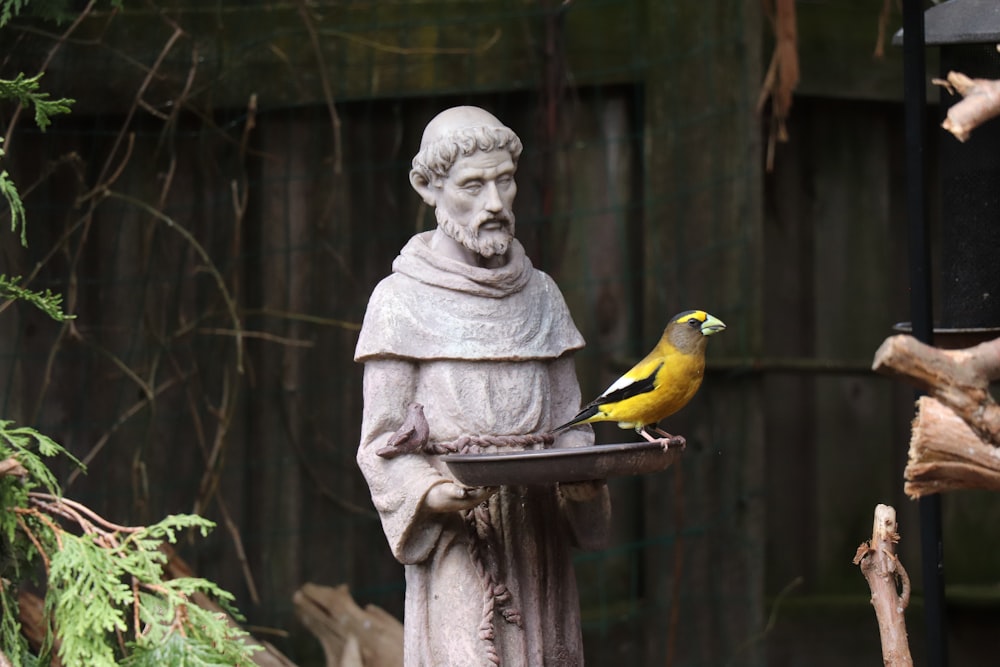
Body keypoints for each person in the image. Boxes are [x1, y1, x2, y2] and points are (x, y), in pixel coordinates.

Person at [355, 105, 611, 666]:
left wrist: (583, 484)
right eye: (473, 185)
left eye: (505, 181)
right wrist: (430, 493)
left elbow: (574, 429)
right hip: (459, 545)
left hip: (539, 545)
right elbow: (381, 445)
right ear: (429, 187)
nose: (495, 203)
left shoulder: (541, 296)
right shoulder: (400, 302)